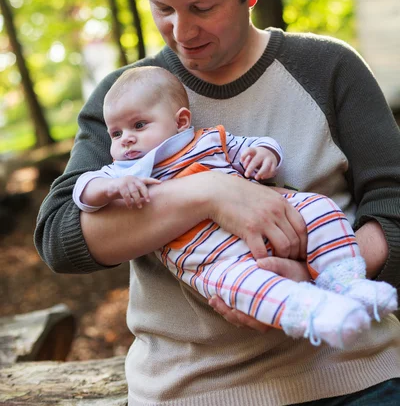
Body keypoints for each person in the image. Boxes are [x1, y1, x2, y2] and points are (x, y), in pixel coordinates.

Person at [34, 0, 400, 406]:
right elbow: (61, 237)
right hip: (193, 389)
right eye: (163, 8)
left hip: (354, 375)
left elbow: (394, 206)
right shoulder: (126, 101)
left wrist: (307, 276)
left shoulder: (328, 69)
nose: (181, 31)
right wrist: (210, 194)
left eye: (201, 7)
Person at [72, 66, 396, 349]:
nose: (126, 139)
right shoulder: (125, 172)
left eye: (139, 125)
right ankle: (312, 312)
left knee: (319, 208)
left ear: (181, 120)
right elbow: (83, 191)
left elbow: (254, 145)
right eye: (116, 133)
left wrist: (265, 155)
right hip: (212, 260)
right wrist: (111, 187)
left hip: (276, 221)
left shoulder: (211, 140)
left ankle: (345, 280)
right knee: (243, 286)